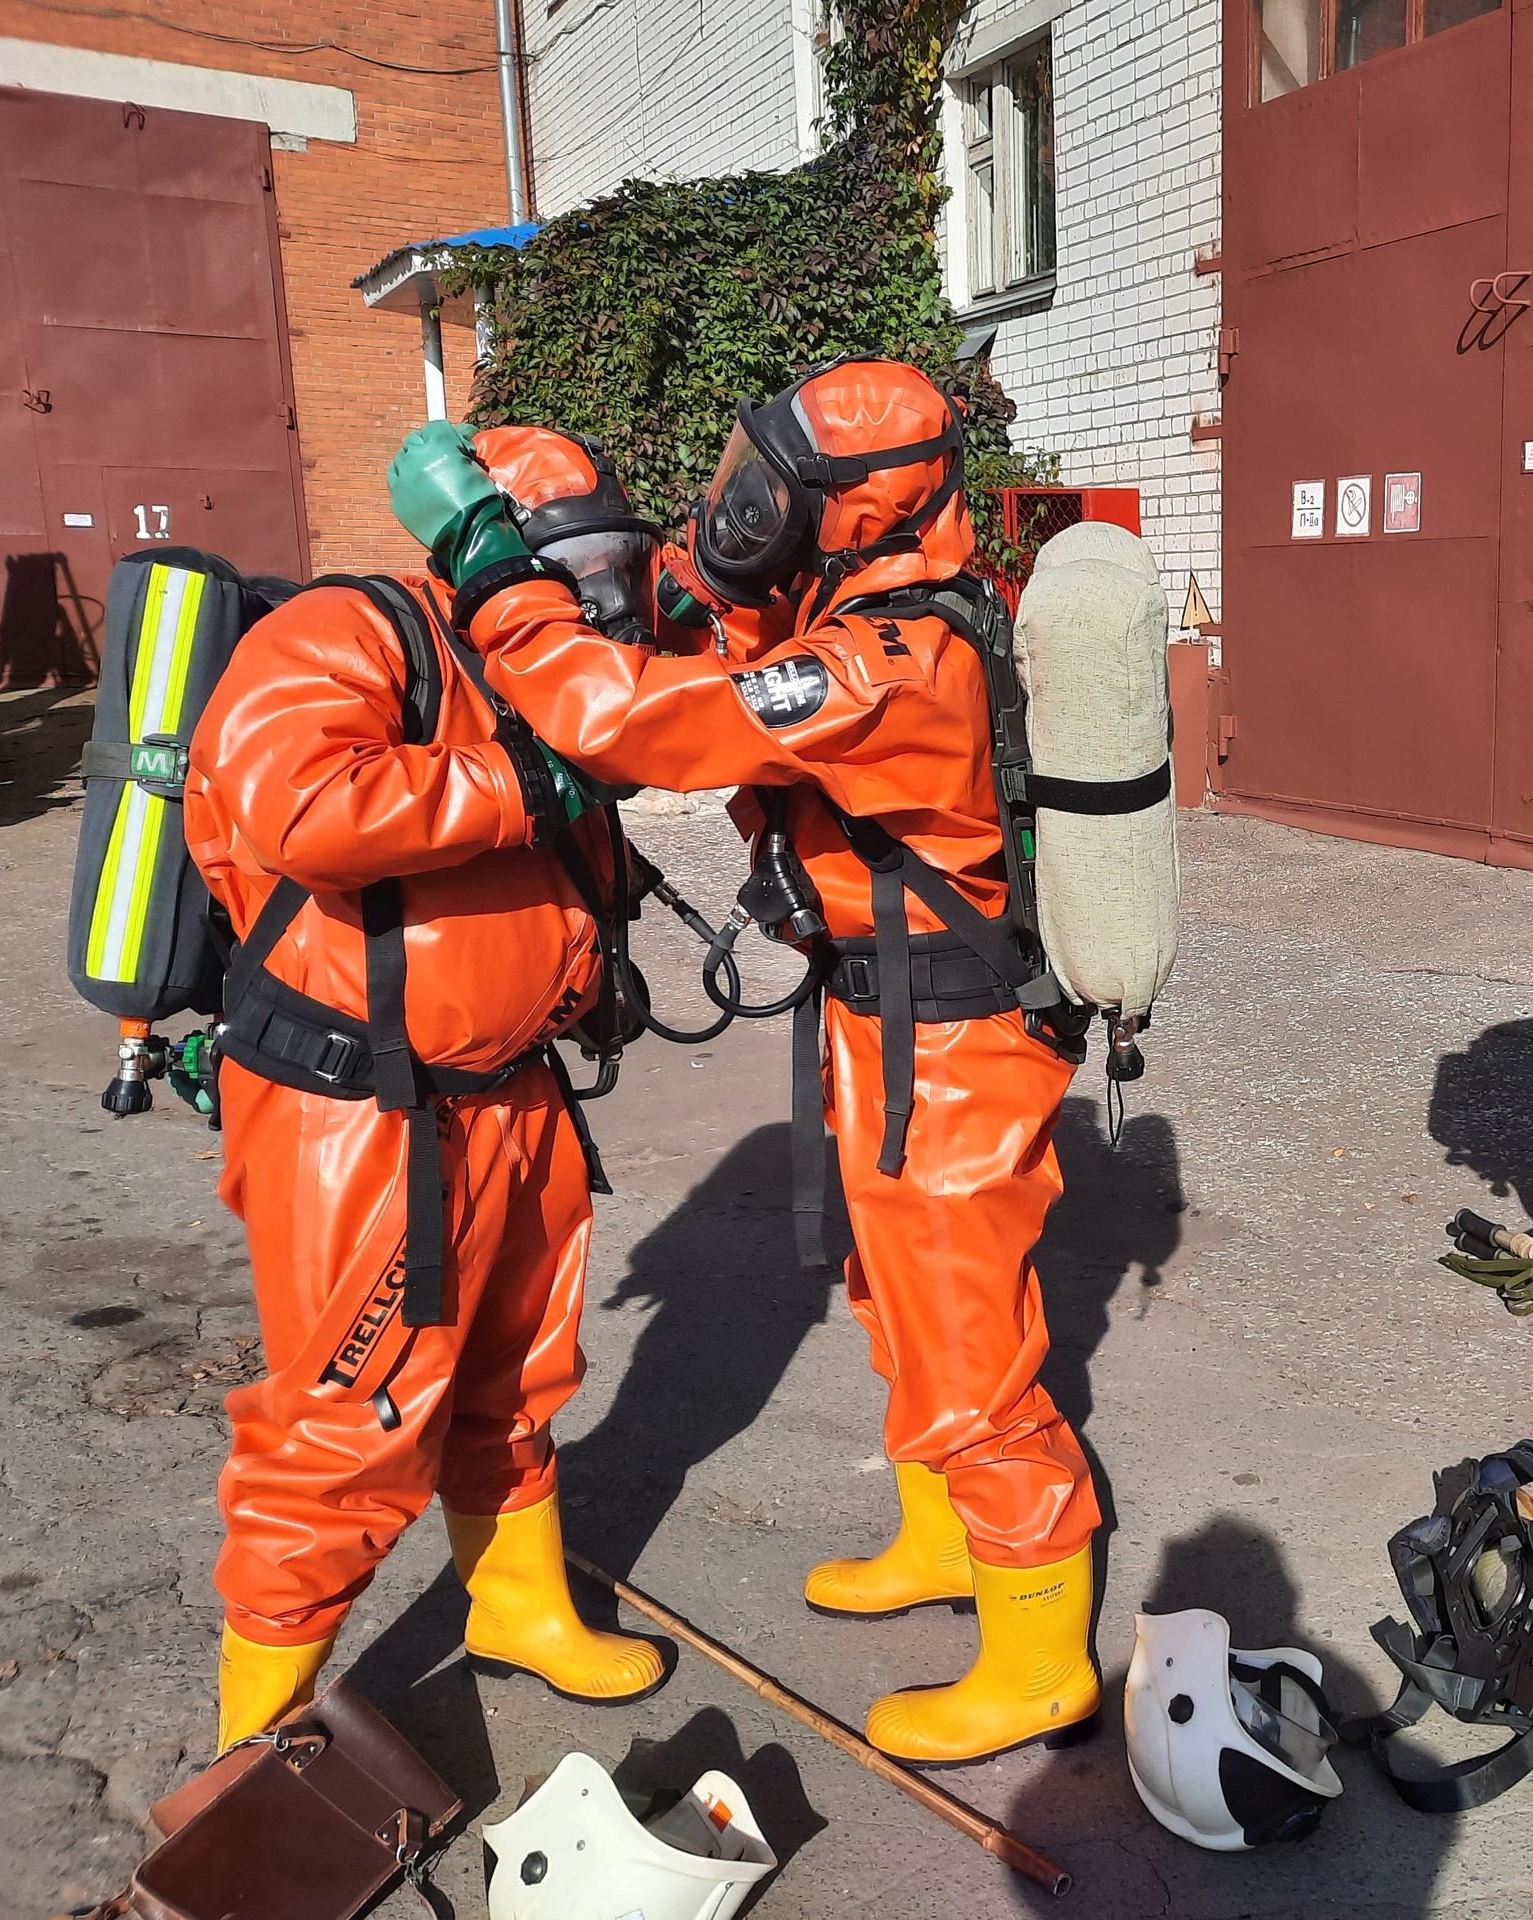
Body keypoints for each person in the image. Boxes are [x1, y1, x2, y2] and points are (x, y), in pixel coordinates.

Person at [384, 363, 1104, 1767]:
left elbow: (625, 721)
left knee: (971, 1345)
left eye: (775, 492)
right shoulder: (862, 610)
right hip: (885, 1020)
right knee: (898, 1304)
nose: (742, 512)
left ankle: (1038, 1657)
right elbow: (717, 632)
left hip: (947, 1041)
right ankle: (947, 1540)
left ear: (862, 510)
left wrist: (496, 573)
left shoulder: (888, 661)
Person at [185, 430, 667, 1750]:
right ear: (480, 536)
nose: (591, 596)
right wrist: (528, 781)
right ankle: (255, 1750)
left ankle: (516, 1607)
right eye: (566, 563)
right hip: (363, 1111)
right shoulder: (353, 631)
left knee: (517, 1375)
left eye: (610, 562)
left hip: (511, 1092)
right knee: (345, 1432)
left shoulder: (533, 673)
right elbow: (298, 805)